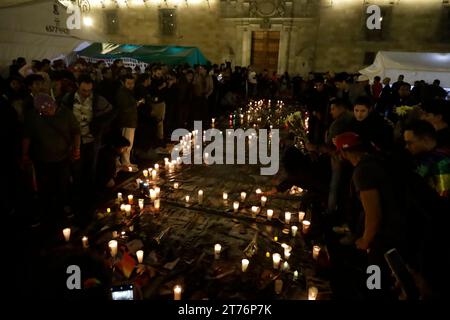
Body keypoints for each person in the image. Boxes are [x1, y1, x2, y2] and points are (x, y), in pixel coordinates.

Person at [334, 132, 406, 299]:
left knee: (375, 271)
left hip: (386, 232)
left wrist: (366, 240)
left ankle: (375, 294)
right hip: (397, 226)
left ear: (343, 153)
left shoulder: (363, 172)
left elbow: (373, 213)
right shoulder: (375, 160)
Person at [21, 93, 80, 227]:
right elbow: (27, 136)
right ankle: (46, 213)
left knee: (63, 184)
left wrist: (77, 149)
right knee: (44, 187)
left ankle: (64, 207)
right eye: (42, 112)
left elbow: (76, 131)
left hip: (62, 157)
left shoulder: (65, 113)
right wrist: (24, 154)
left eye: (46, 110)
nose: (45, 113)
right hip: (41, 158)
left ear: (53, 105)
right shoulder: (33, 116)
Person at [403, 120, 450, 199]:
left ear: (425, 140)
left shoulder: (441, 162)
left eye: (409, 143)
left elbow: (443, 196)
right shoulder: (425, 157)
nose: (406, 147)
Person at [115, 74, 138, 169]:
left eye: (132, 83)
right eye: (128, 83)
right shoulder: (122, 93)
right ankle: (125, 163)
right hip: (126, 121)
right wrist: (135, 104)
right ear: (123, 82)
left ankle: (126, 162)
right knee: (126, 143)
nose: (131, 85)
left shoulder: (128, 92)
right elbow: (124, 108)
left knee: (128, 143)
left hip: (130, 120)